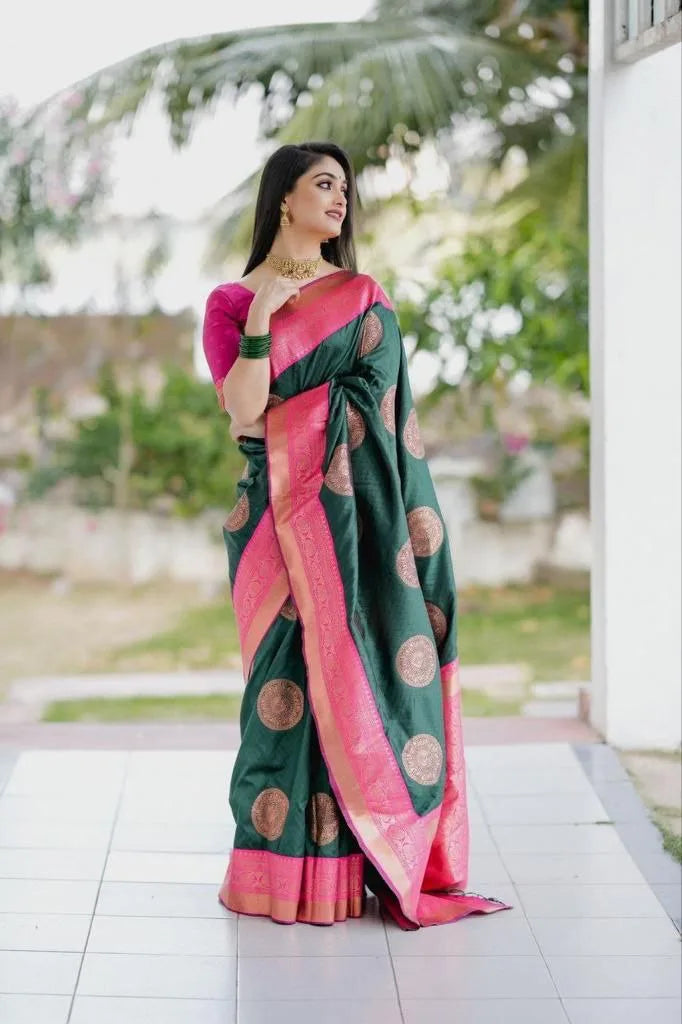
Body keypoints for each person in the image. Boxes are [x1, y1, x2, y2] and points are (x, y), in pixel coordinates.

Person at [201, 141, 512, 929]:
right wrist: (264, 316)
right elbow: (243, 409)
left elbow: (374, 406)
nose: (341, 199)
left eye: (344, 187)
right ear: (285, 198)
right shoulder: (231, 303)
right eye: (324, 184)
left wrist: (286, 408)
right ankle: (275, 872)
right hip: (270, 519)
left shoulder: (364, 300)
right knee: (280, 689)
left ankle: (346, 875)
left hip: (358, 523)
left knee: (346, 674)